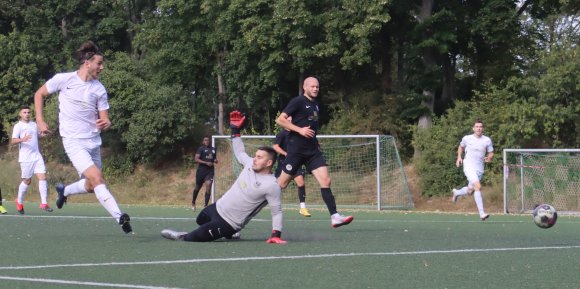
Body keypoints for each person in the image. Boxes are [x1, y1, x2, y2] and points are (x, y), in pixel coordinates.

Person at [34, 41, 132, 234]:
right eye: (99, 63)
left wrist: (106, 123)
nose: (102, 67)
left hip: (93, 141)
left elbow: (105, 118)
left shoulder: (99, 89)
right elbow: (39, 94)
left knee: (90, 185)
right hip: (73, 141)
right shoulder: (65, 79)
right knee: (97, 178)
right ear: (87, 63)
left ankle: (65, 191)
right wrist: (40, 120)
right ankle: (120, 217)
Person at [161, 110, 286, 244]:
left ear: (269, 163)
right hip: (218, 207)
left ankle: (183, 236)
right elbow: (239, 151)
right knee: (200, 219)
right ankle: (224, 233)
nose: (254, 159)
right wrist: (235, 130)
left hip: (230, 223)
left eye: (259, 157)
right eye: (255, 156)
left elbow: (276, 212)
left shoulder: (272, 185)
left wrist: (276, 234)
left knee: (195, 237)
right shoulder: (250, 163)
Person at [276, 76, 353, 228]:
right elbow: (280, 120)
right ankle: (247, 210)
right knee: (280, 185)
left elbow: (311, 127)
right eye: (312, 86)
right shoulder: (298, 101)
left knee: (326, 180)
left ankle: (335, 216)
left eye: (317, 86)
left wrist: (315, 141)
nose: (315, 88)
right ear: (305, 87)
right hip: (296, 151)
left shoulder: (315, 105)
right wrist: (300, 130)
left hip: (312, 152)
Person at [11, 106, 53, 214]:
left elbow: (37, 136)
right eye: (24, 112)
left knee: (42, 177)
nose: (27, 114)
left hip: (36, 156)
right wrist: (22, 139)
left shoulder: (34, 125)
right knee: (27, 181)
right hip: (25, 158)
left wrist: (43, 134)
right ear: (20, 114)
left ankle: (44, 203)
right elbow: (13, 141)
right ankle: (19, 201)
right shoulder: (18, 126)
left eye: (28, 112)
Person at [451, 119, 494, 221]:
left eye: (480, 127)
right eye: (477, 126)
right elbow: (460, 147)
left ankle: (457, 193)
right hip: (468, 166)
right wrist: (459, 157)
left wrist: (489, 158)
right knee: (478, 187)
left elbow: (491, 152)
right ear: (473, 128)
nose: (479, 128)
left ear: (482, 128)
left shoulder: (487, 140)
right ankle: (482, 213)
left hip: (479, 169)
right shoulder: (467, 138)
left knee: (470, 191)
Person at [273, 117, 311, 217]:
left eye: (291, 120)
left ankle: (302, 208)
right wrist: (286, 154)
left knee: (301, 182)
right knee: (278, 186)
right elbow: (275, 147)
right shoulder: (281, 134)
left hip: (295, 162)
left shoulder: (297, 133)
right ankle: (264, 202)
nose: (290, 122)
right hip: (284, 163)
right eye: (288, 120)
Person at [191, 136, 217, 211]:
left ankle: (205, 206)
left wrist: (215, 160)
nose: (207, 141)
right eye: (205, 140)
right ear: (203, 141)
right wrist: (206, 162)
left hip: (210, 171)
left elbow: (214, 158)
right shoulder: (200, 149)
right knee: (197, 188)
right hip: (201, 171)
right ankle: (193, 202)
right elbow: (196, 159)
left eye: (208, 140)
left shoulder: (213, 149)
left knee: (208, 186)